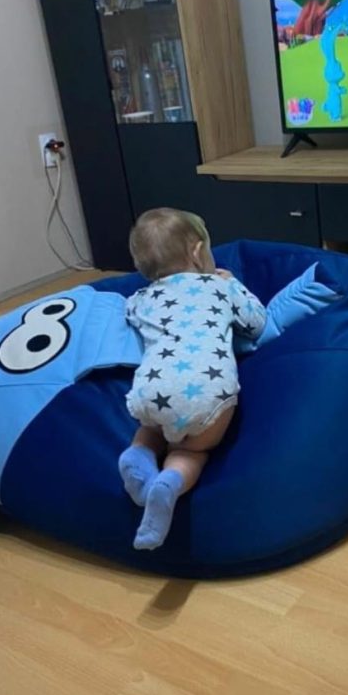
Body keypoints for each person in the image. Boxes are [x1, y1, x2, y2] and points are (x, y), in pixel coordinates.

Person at [119, 208, 266, 550]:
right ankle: (170, 482)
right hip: (207, 394)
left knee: (151, 430)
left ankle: (138, 455)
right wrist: (233, 283)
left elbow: (129, 319)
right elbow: (257, 323)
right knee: (192, 451)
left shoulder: (140, 299)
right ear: (198, 253)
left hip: (151, 389)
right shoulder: (219, 286)